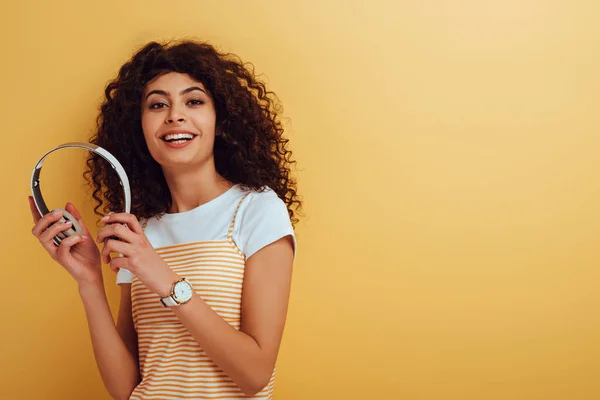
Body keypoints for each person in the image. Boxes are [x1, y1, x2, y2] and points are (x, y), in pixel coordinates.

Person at [28, 39, 301, 400]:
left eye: (194, 101)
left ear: (219, 119)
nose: (175, 115)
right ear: (139, 127)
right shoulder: (139, 230)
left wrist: (160, 275)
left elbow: (255, 375)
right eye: (158, 104)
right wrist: (90, 281)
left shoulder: (257, 209)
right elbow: (126, 389)